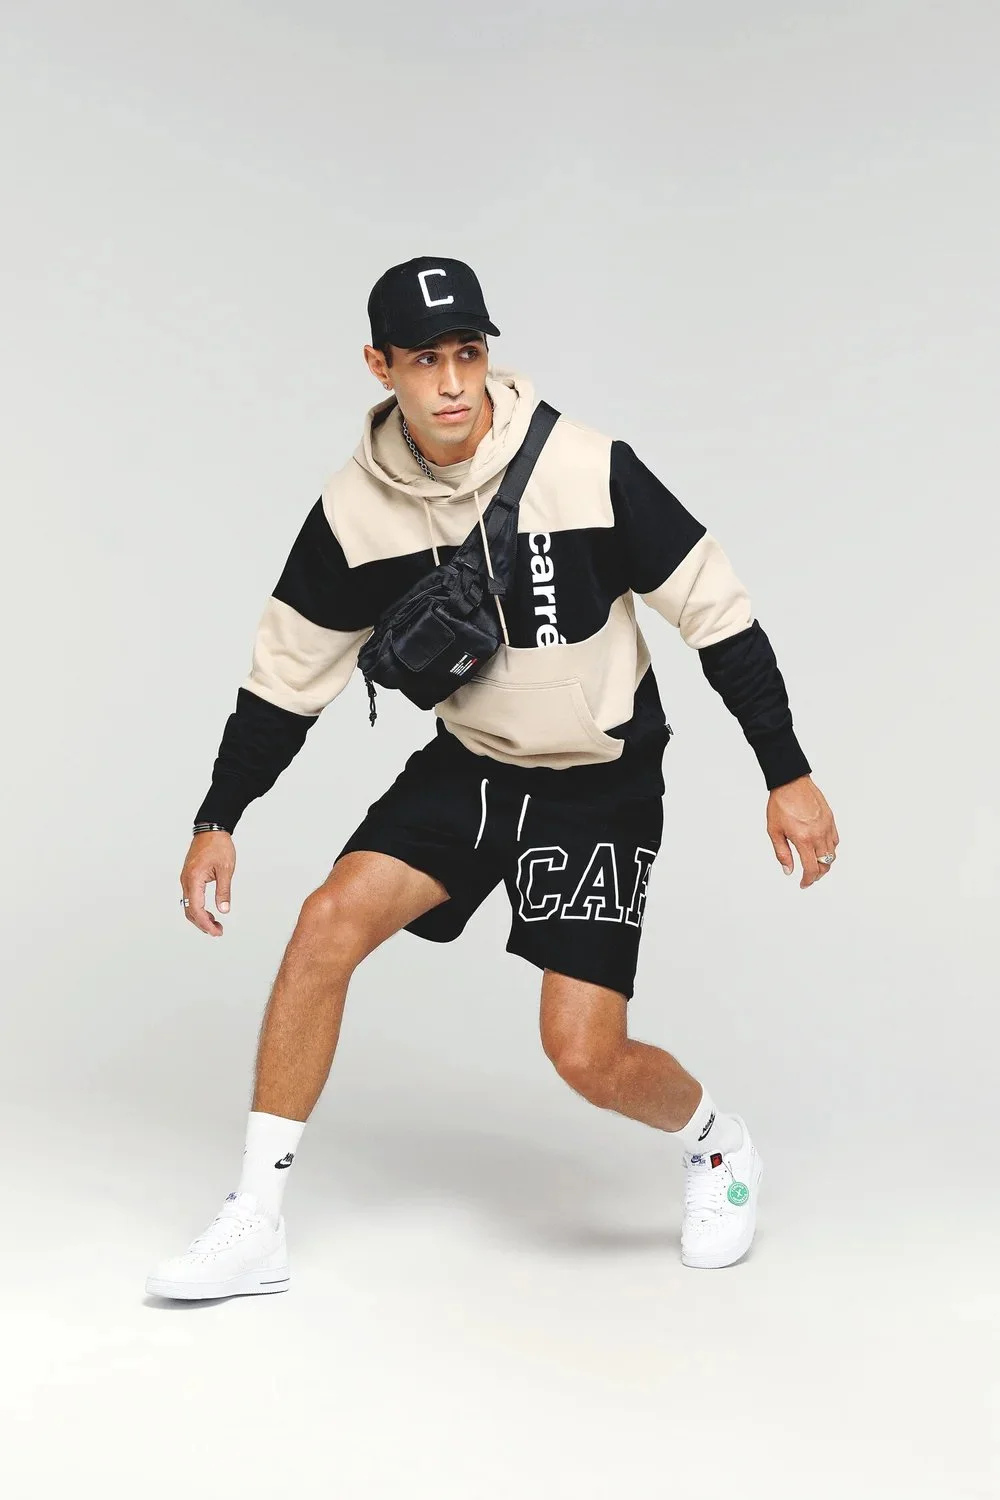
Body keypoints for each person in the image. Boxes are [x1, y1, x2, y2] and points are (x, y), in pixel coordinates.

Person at [146, 255, 838, 1301]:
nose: (454, 382)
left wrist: (785, 772)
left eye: (468, 352)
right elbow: (287, 677)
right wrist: (219, 814)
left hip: (597, 782)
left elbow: (716, 611)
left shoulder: (585, 465)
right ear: (379, 367)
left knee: (583, 1055)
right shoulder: (351, 514)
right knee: (325, 923)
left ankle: (714, 1144)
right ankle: (256, 1220)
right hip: (470, 767)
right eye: (425, 360)